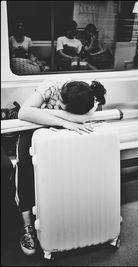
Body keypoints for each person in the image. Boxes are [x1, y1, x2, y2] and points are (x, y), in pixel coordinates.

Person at [17, 79, 107, 255]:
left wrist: (63, 120)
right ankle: (27, 228)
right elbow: (24, 112)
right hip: (32, 126)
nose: (57, 103)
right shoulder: (52, 86)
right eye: (58, 99)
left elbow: (84, 118)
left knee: (66, 171)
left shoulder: (89, 101)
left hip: (62, 130)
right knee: (26, 167)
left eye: (61, 105)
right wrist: (65, 120)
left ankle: (66, 217)